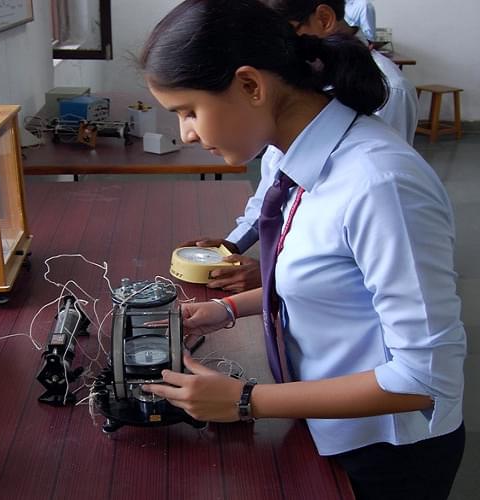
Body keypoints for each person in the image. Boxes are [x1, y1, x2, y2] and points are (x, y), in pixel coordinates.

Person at [139, 1, 465, 499]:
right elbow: (328, 280)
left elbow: (425, 377)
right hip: (326, 421)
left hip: (387, 451)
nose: (185, 133)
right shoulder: (296, 158)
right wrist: (225, 310)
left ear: (251, 85)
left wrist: (244, 400)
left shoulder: (380, 184)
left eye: (189, 112)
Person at [180, 0, 417, 292]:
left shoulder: (379, 156)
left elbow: (373, 237)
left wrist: (277, 275)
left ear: (324, 19)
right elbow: (275, 183)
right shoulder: (294, 93)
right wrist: (234, 244)